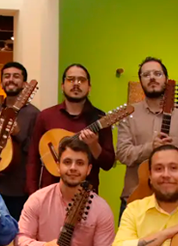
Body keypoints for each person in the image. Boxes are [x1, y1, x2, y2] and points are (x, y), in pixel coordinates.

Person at [116, 57, 178, 246]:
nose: (152, 78)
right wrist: (149, 148)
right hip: (135, 200)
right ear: (141, 81)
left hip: (175, 206)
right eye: (146, 74)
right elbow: (122, 154)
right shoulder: (128, 114)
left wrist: (174, 155)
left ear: (166, 78)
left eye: (157, 73)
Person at [0, 61, 40, 246]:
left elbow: (36, 151)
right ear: (1, 82)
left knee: (23, 238)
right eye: (7, 76)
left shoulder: (34, 114)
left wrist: (18, 135)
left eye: (16, 76)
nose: (11, 80)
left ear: (24, 83)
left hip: (20, 187)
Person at [26, 63, 115, 195]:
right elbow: (33, 159)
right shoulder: (46, 116)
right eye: (70, 79)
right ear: (62, 86)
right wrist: (33, 193)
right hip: (49, 192)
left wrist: (94, 145)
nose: (76, 84)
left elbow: (108, 163)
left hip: (84, 196)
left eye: (82, 80)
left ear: (89, 87)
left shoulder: (100, 119)